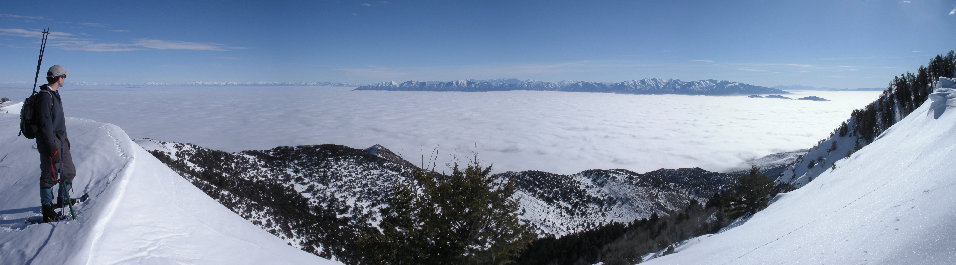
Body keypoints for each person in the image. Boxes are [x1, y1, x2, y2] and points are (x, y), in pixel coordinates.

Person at [36, 64, 77, 222]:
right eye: (64, 77)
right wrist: (51, 146)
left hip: (60, 141)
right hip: (49, 142)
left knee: (69, 171)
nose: (65, 79)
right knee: (49, 175)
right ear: (59, 78)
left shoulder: (54, 94)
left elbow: (57, 121)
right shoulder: (45, 97)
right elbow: (45, 124)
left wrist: (64, 140)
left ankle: (62, 199)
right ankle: (47, 209)